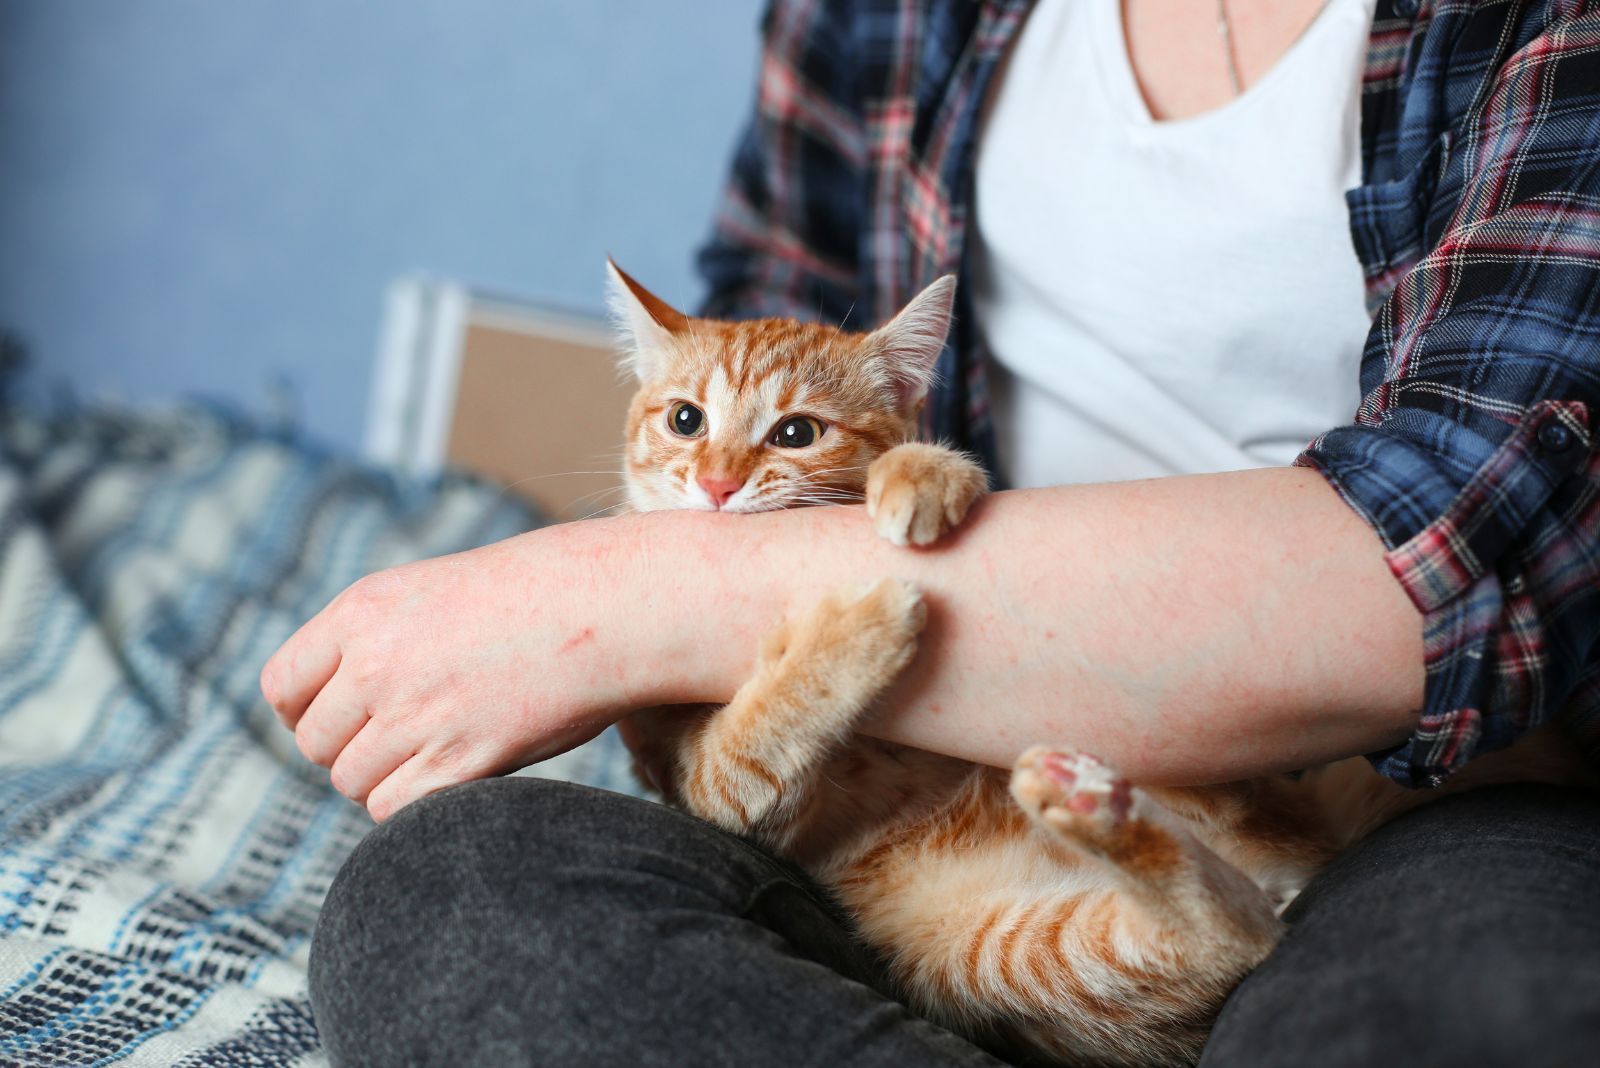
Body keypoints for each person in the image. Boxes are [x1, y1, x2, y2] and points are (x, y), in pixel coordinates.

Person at [267, 0, 1600, 1064]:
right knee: (449, 899)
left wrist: (619, 594)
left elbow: (1441, 569)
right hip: (935, 779)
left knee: (1472, 1007)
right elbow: (759, 347)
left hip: (1392, 782)